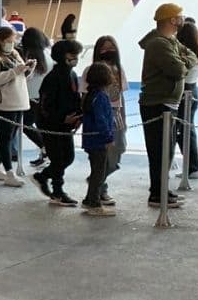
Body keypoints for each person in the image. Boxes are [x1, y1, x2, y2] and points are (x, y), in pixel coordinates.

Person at [139, 3, 197, 208]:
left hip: (166, 103)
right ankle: (157, 194)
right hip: (158, 104)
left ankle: (162, 191)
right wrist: (183, 62)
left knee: (166, 151)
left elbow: (192, 56)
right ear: (172, 20)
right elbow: (178, 70)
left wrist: (183, 61)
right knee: (160, 152)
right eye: (180, 16)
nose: (183, 19)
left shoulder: (169, 41)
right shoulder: (159, 44)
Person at [31, 40, 83, 207]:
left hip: (66, 125)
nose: (75, 58)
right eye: (71, 55)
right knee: (59, 159)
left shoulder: (72, 74)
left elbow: (76, 98)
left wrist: (78, 117)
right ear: (62, 56)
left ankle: (42, 176)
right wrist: (61, 119)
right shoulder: (53, 77)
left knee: (68, 157)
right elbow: (46, 105)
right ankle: (58, 192)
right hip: (51, 126)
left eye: (76, 54)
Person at [0, 26, 32, 188]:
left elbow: (21, 75)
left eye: (13, 40)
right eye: (9, 41)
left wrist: (28, 68)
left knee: (8, 137)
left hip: (18, 101)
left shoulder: (14, 54)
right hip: (1, 104)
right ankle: (9, 172)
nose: (12, 43)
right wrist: (15, 71)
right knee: (6, 137)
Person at [84, 36, 128, 207]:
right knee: (100, 159)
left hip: (116, 116)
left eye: (111, 47)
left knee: (117, 154)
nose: (108, 51)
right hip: (99, 121)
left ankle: (96, 182)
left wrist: (122, 118)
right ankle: (98, 190)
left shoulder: (119, 69)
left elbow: (121, 94)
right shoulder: (91, 71)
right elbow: (84, 96)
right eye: (104, 48)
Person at [81, 63, 118, 217]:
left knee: (96, 171)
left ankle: (89, 199)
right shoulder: (101, 97)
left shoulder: (91, 95)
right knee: (98, 173)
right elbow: (101, 120)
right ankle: (94, 203)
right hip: (98, 141)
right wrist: (108, 137)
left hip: (91, 140)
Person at [175, 23, 198, 180]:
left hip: (183, 93)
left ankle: (192, 167)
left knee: (181, 131)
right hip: (193, 91)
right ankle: (192, 166)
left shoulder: (185, 54)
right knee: (188, 130)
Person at [19, 28, 51, 168]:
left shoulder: (28, 56)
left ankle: (46, 150)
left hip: (30, 98)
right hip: (44, 97)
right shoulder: (48, 54)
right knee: (40, 127)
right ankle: (45, 153)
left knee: (25, 125)